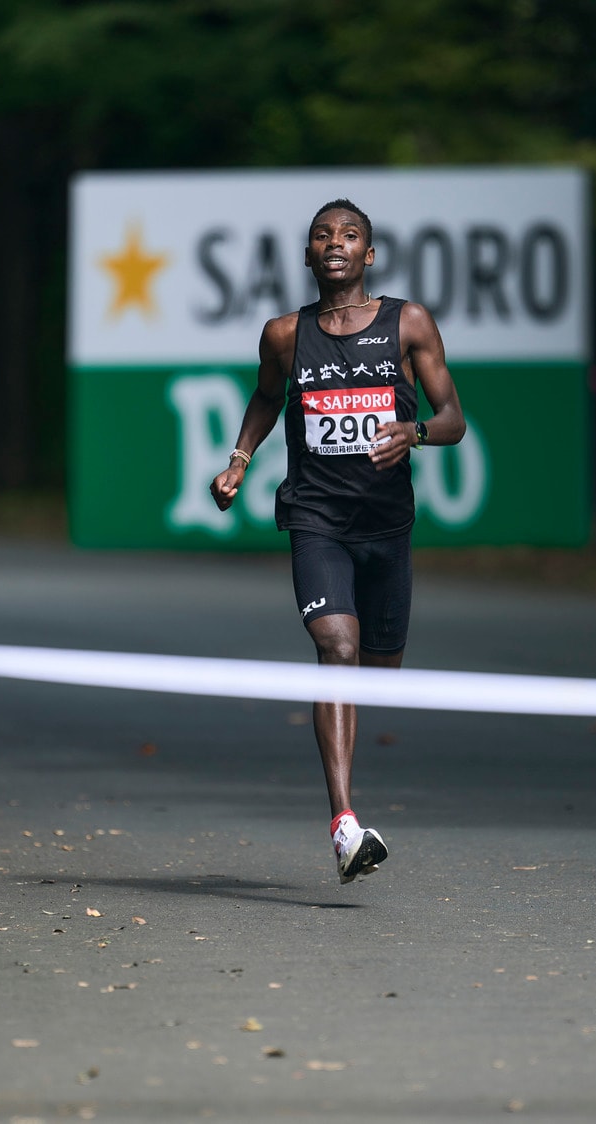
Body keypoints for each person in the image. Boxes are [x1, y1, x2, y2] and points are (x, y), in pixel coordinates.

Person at [210, 199, 465, 884]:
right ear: (307, 255)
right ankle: (345, 826)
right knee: (336, 648)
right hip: (316, 518)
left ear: (369, 255)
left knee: (376, 674)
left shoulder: (407, 323)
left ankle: (346, 799)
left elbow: (453, 419)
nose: (335, 244)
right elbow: (267, 397)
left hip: (386, 526)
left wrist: (412, 433)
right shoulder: (285, 336)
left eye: (350, 235)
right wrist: (239, 460)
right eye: (323, 235)